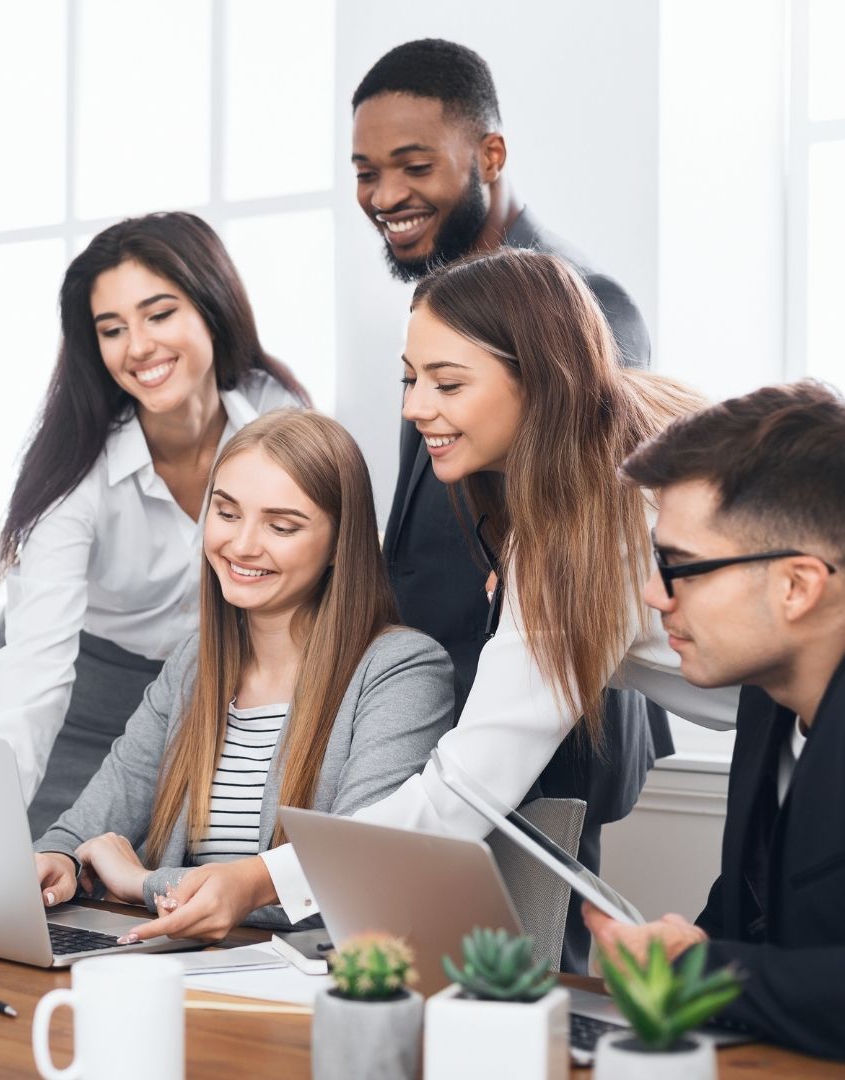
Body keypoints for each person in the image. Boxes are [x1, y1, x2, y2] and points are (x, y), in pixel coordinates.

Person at [131, 249, 739, 946]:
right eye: (411, 378)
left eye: (448, 384)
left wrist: (264, 876)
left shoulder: (580, 528)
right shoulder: (621, 438)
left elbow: (462, 792)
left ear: (540, 378)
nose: (415, 407)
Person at [351, 39, 670, 967]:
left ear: (489, 158)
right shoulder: (437, 313)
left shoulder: (576, 302)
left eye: (415, 165)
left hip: (551, 711)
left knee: (531, 977)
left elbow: (593, 511)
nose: (385, 195)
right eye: (366, 172)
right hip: (454, 700)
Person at [32, 409, 454, 930]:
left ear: (339, 545)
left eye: (281, 526)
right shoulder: (193, 667)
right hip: (179, 969)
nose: (243, 545)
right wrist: (61, 861)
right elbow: (85, 826)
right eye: (227, 513)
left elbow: (354, 876)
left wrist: (144, 883)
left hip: (304, 985)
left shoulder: (401, 671)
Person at [0, 212, 309, 837]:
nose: (139, 346)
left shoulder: (277, 413)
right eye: (112, 329)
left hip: (205, 697)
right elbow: (35, 673)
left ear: (210, 304)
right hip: (77, 700)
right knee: (48, 882)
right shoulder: (76, 468)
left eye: (159, 314)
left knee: (166, 895)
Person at [583, 380, 845, 1061]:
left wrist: (695, 971)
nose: (651, 593)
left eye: (681, 567)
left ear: (797, 585)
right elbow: (744, 918)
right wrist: (680, 949)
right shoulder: (768, 698)